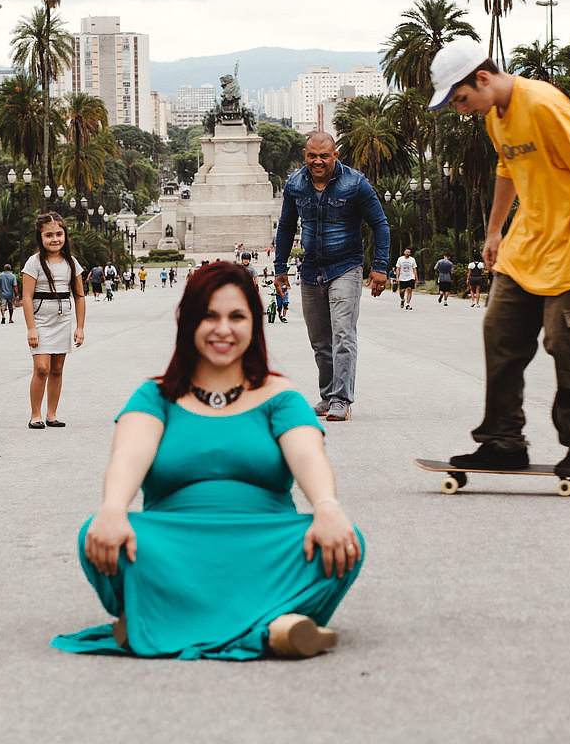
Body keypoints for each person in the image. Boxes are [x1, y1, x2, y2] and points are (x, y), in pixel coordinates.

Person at [51, 262, 363, 659]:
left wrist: (326, 506)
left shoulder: (278, 394)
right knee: (95, 536)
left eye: (237, 316)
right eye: (209, 316)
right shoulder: (155, 396)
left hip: (263, 543)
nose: (223, 329)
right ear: (187, 321)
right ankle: (271, 626)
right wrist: (113, 509)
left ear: (254, 323)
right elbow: (128, 456)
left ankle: (157, 620)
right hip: (173, 545)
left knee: (345, 542)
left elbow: (308, 455)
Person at [426, 37, 570, 477]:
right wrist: (494, 229)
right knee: (499, 332)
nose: (462, 109)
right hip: (527, 243)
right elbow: (507, 169)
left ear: (482, 78)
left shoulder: (542, 104)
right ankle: (503, 440)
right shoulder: (495, 118)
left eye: (462, 99)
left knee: (566, 342)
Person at [273, 131, 391, 422]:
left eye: (324, 156)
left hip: (345, 268)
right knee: (320, 341)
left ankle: (341, 399)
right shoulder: (295, 184)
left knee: (342, 334)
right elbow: (286, 227)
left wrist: (380, 266)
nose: (318, 161)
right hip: (311, 270)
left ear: (335, 155)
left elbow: (380, 224)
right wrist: (280, 269)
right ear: (305, 155)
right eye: (312, 155)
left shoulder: (355, 183)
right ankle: (327, 396)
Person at [22, 212, 86, 429]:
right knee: (42, 368)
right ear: (40, 237)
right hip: (40, 321)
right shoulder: (34, 263)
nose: (55, 239)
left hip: (63, 320)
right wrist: (31, 328)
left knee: (57, 369)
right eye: (48, 235)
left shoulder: (72, 262)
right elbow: (27, 297)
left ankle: (52, 414)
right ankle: (35, 415)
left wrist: (80, 327)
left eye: (59, 234)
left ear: (65, 235)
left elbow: (79, 296)